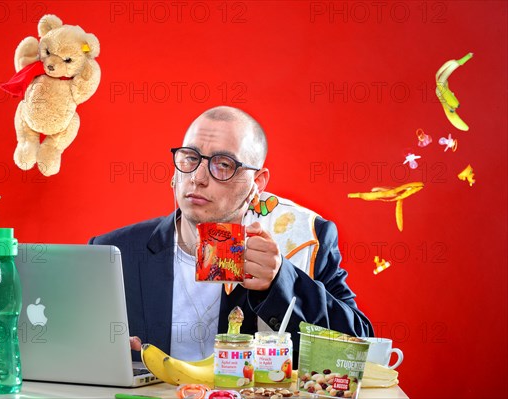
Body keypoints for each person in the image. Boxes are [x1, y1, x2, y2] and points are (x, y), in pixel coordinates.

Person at [89, 106, 372, 365]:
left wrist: (280, 281)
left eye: (223, 165)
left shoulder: (307, 236)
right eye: (190, 158)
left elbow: (359, 347)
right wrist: (99, 353)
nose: (197, 178)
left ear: (257, 183)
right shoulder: (113, 252)